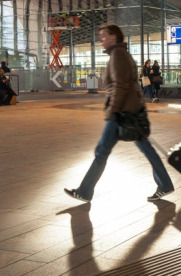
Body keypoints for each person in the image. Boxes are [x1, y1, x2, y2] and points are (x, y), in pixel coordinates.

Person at [65, 24, 174, 203]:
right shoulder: (121, 54)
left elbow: (120, 86)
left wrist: (112, 111)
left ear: (114, 37)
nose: (101, 40)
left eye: (103, 36)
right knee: (144, 147)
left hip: (121, 113)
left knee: (102, 151)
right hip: (130, 110)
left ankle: (85, 191)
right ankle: (165, 184)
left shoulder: (118, 55)